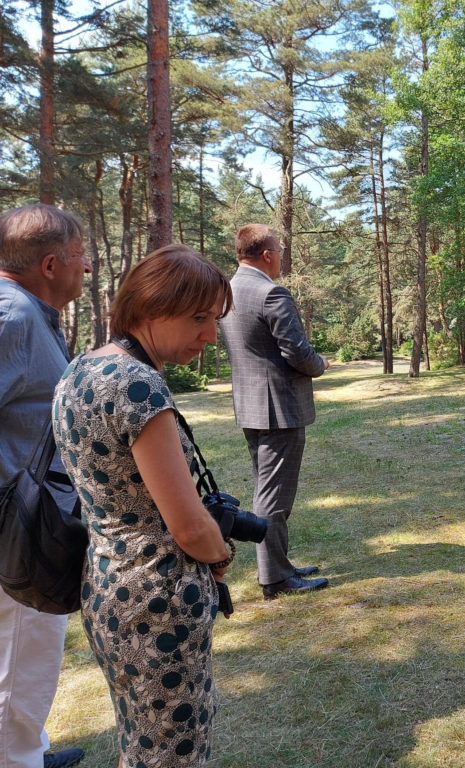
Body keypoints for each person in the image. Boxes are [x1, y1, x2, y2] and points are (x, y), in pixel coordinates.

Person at [50, 245, 233, 768]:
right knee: (172, 753)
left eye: (214, 319)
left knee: (141, 740)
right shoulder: (138, 385)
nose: (210, 334)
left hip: (108, 584)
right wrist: (220, 555)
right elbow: (188, 526)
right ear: (152, 306)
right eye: (198, 318)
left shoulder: (82, 368)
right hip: (158, 599)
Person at [0, 204, 88, 768]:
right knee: (22, 654)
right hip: (16, 528)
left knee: (23, 653)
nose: (88, 267)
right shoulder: (11, 316)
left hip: (24, 520)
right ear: (50, 265)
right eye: (80, 257)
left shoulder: (24, 311)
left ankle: (23, 750)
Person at [219, 225, 328, 599]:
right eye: (279, 251)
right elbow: (296, 351)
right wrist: (320, 364)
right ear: (267, 255)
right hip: (279, 407)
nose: (281, 257)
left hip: (252, 405)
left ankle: (279, 567)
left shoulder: (229, 290)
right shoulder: (271, 293)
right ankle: (275, 578)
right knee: (274, 497)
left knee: (268, 489)